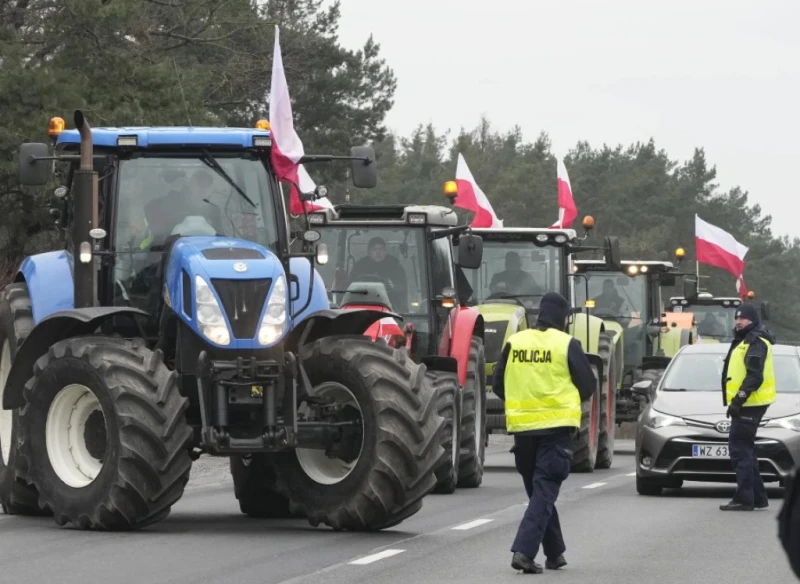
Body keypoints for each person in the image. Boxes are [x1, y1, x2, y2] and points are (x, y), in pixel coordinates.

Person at [492, 292, 597, 574]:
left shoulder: (516, 341)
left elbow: (498, 384)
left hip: (522, 433)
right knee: (544, 493)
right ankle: (524, 552)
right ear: (564, 318)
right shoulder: (566, 344)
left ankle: (555, 553)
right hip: (555, 432)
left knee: (540, 494)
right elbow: (588, 386)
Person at [719, 302, 776, 511]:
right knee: (747, 451)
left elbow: (755, 377)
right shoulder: (744, 340)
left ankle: (744, 498)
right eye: (736, 318)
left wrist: (738, 400)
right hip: (749, 404)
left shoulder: (755, 341)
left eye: (743, 318)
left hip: (750, 404)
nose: (739, 321)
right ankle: (758, 497)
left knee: (739, 450)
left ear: (753, 320)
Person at [350, 236, 408, 311]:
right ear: (368, 252)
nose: (378, 252)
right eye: (374, 249)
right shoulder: (360, 267)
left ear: (385, 251)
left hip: (392, 308)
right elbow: (350, 286)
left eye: (381, 249)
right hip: (362, 307)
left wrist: (392, 286)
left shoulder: (395, 266)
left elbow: (402, 288)